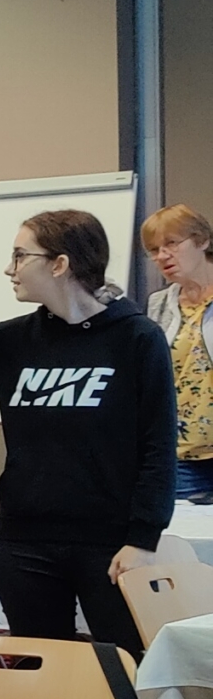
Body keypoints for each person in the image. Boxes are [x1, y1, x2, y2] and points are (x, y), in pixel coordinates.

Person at [0, 208, 176, 656]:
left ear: (60, 264)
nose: (9, 268)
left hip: (110, 543)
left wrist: (142, 540)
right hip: (23, 542)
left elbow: (158, 446)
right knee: (41, 669)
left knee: (123, 668)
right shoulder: (12, 340)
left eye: (20, 256)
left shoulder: (136, 338)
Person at [146, 203, 213, 506]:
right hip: (181, 452)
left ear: (202, 240)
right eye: (154, 250)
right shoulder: (158, 304)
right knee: (182, 532)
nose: (162, 256)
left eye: (172, 243)